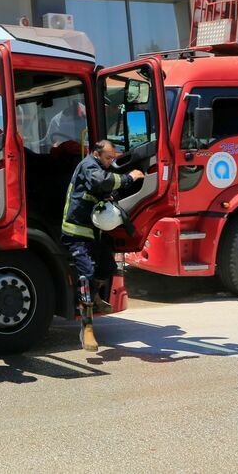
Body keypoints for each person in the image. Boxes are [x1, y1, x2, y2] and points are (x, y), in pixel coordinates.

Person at [61, 139, 143, 352]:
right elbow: (101, 182)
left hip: (93, 234)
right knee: (86, 274)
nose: (110, 163)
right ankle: (87, 328)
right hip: (76, 233)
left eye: (112, 159)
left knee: (107, 266)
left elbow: (102, 190)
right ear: (96, 154)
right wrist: (128, 178)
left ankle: (95, 297)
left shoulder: (98, 166)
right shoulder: (89, 166)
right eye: (108, 158)